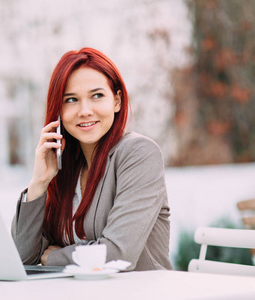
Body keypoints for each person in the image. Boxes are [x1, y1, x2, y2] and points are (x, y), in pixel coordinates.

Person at [11, 47, 173, 271]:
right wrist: (38, 184)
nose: (85, 110)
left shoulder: (139, 154)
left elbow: (118, 255)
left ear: (116, 101)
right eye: (71, 100)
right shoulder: (65, 170)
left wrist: (55, 257)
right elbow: (22, 258)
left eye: (97, 96)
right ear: (58, 110)